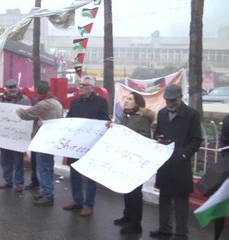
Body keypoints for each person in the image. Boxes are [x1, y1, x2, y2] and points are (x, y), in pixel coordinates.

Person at [150, 84, 203, 240]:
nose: (170, 103)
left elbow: (197, 139)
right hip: (165, 163)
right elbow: (158, 132)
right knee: (164, 198)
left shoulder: (191, 114)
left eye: (173, 100)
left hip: (180, 164)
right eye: (167, 100)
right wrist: (159, 140)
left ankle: (181, 234)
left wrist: (184, 155)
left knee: (181, 201)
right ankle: (164, 229)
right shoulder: (162, 113)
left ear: (180, 98)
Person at [63, 76, 110, 216]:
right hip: (76, 144)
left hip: (92, 144)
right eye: (80, 84)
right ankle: (77, 200)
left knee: (91, 175)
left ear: (92, 88)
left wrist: (107, 124)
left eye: (84, 85)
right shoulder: (75, 102)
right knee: (74, 173)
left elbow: (104, 119)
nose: (81, 87)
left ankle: (89, 204)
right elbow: (69, 119)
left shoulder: (101, 102)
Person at [113, 92, 155, 234]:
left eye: (130, 99)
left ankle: (136, 224)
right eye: (125, 99)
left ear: (137, 103)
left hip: (136, 160)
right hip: (124, 158)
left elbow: (145, 138)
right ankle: (127, 216)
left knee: (135, 193)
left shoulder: (143, 119)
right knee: (126, 189)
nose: (126, 101)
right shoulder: (124, 116)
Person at [16, 80, 63, 206]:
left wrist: (16, 109)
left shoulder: (44, 104)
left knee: (43, 168)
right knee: (48, 167)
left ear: (39, 92)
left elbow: (25, 114)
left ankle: (48, 195)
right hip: (51, 141)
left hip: (43, 141)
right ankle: (45, 191)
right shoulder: (57, 103)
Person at [0, 79, 31, 192]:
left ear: (17, 87)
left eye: (14, 87)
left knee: (18, 161)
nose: (12, 90)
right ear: (6, 88)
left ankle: (19, 183)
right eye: (10, 87)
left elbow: (29, 116)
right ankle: (8, 181)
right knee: (5, 160)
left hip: (18, 136)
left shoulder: (24, 100)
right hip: (4, 135)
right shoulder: (0, 99)